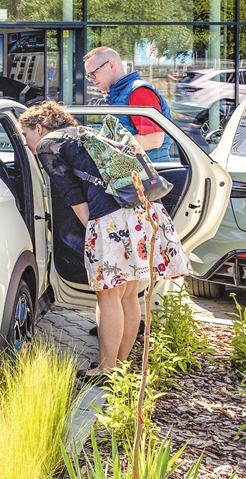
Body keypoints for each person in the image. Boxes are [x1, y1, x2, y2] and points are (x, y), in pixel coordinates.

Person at [19, 102, 191, 381]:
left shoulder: (50, 145)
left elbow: (72, 195)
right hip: (143, 213)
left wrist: (95, 232)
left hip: (113, 221)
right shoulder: (84, 133)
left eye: (26, 136)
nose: (27, 144)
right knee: (128, 295)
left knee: (108, 296)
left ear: (39, 128)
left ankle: (105, 369)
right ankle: (120, 367)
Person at [83, 47, 174, 163]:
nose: (91, 79)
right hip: (138, 172)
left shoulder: (138, 92)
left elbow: (154, 140)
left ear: (111, 65)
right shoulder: (120, 94)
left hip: (149, 174)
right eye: (88, 76)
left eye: (93, 73)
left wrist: (106, 144)